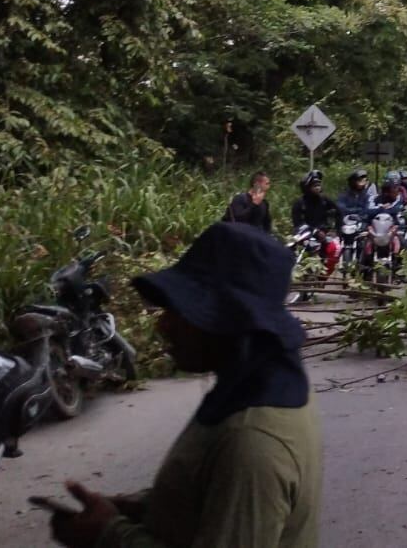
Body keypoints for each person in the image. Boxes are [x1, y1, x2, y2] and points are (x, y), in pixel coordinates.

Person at [43, 223, 322, 548]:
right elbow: (211, 490)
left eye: (182, 311)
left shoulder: (251, 442)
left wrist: (108, 533)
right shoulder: (258, 386)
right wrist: (141, 507)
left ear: (229, 324)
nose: (163, 325)